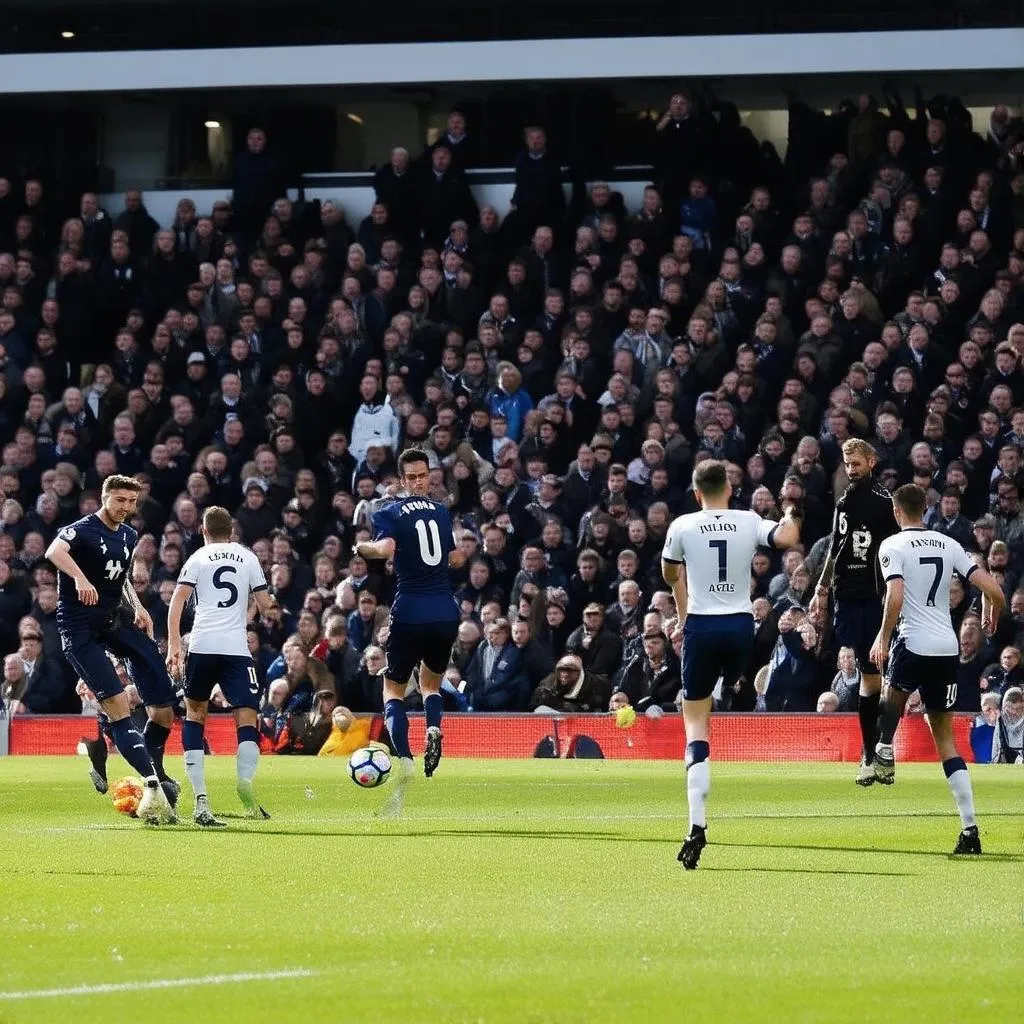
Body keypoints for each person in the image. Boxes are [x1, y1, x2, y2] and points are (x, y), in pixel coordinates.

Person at [661, 459, 800, 868]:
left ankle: (696, 826)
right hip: (741, 627)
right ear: (729, 488)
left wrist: (684, 615)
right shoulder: (747, 518)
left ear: (696, 492)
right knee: (734, 680)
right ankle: (734, 681)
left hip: (702, 628)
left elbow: (670, 574)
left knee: (695, 727)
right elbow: (788, 537)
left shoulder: (682, 525)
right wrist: (790, 511)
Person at [869, 484, 1006, 854]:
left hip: (912, 642)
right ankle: (970, 829)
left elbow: (895, 595)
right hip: (946, 648)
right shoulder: (949, 544)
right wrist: (992, 607)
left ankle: (883, 751)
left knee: (889, 693)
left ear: (897, 512)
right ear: (926, 510)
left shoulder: (892, 546)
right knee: (945, 739)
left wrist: (882, 636)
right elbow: (993, 589)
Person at [43, 475, 178, 824]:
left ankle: (104, 747)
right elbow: (54, 551)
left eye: (132, 502)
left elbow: (123, 580)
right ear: (105, 498)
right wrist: (80, 578)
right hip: (79, 628)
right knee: (118, 704)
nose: (126, 508)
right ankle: (154, 785)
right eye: (120, 500)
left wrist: (139, 606)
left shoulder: (129, 535)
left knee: (160, 690)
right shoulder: (82, 529)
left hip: (113, 619)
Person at [355, 448, 465, 816]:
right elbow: (456, 558)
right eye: (414, 476)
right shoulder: (442, 511)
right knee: (432, 685)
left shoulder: (389, 511)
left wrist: (361, 546)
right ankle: (434, 727)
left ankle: (403, 759)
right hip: (445, 612)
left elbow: (382, 549)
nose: (419, 481)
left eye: (422, 475)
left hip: (409, 611)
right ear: (405, 479)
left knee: (393, 690)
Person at [165, 505, 278, 826]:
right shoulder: (248, 557)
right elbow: (266, 604)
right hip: (236, 650)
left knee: (195, 715)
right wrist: (275, 607)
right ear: (232, 531)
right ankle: (245, 782)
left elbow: (177, 601)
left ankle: (201, 797)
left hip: (202, 646)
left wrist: (175, 645)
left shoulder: (197, 559)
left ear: (203, 531)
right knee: (246, 716)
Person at [809, 439, 899, 785]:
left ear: (871, 462)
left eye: (857, 463)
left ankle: (880, 751)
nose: (852, 469)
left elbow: (895, 550)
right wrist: (822, 587)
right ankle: (870, 752)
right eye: (847, 464)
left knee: (879, 677)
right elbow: (836, 545)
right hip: (847, 597)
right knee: (865, 673)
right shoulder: (844, 502)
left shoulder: (884, 504)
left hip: (875, 596)